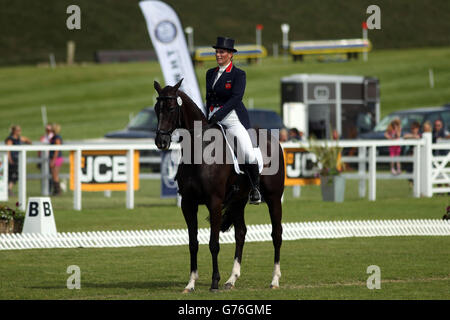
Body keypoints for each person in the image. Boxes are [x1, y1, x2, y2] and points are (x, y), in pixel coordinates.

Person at [206, 36, 261, 204]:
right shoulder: (210, 73)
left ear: (230, 54)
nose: (218, 55)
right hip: (212, 116)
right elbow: (209, 98)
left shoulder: (238, 74)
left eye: (221, 52)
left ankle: (254, 188)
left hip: (232, 118)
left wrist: (219, 115)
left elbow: (236, 98)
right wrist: (206, 116)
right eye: (217, 51)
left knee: (247, 152)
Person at [4, 125, 32, 196]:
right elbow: (8, 151)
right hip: (12, 160)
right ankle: (7, 189)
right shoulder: (10, 139)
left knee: (16, 174)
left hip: (17, 159)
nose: (19, 132)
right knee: (11, 174)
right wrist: (9, 160)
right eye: (18, 130)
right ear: (14, 131)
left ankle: (8, 189)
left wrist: (28, 142)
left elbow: (28, 141)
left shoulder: (19, 138)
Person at [49, 123, 63, 195]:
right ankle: (56, 190)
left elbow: (57, 150)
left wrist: (53, 160)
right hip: (54, 158)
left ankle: (58, 190)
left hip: (56, 159)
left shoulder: (57, 138)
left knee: (55, 175)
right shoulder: (53, 137)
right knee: (54, 174)